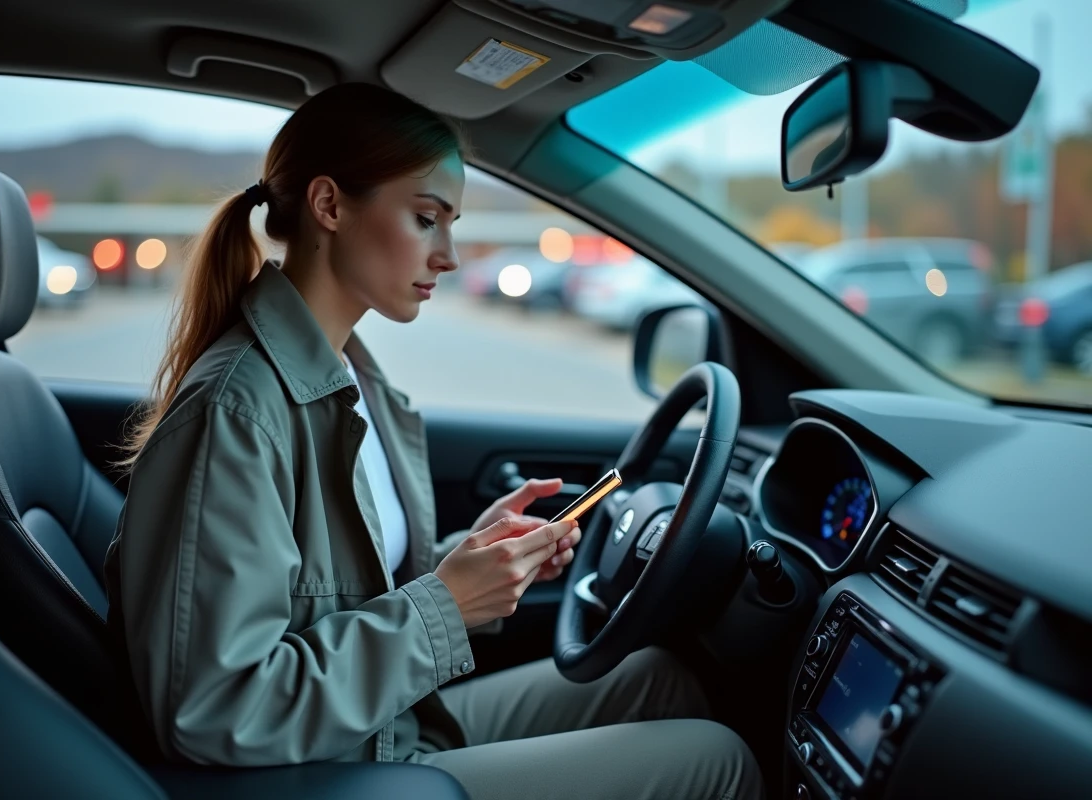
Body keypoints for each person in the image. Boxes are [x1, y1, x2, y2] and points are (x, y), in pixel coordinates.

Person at [103, 82, 763, 800]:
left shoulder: (348, 376)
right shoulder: (237, 413)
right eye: (426, 219)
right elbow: (215, 710)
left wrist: (470, 560)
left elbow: (337, 590)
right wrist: (446, 606)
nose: (448, 254)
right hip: (339, 767)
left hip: (382, 723)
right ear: (329, 206)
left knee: (657, 679)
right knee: (716, 759)